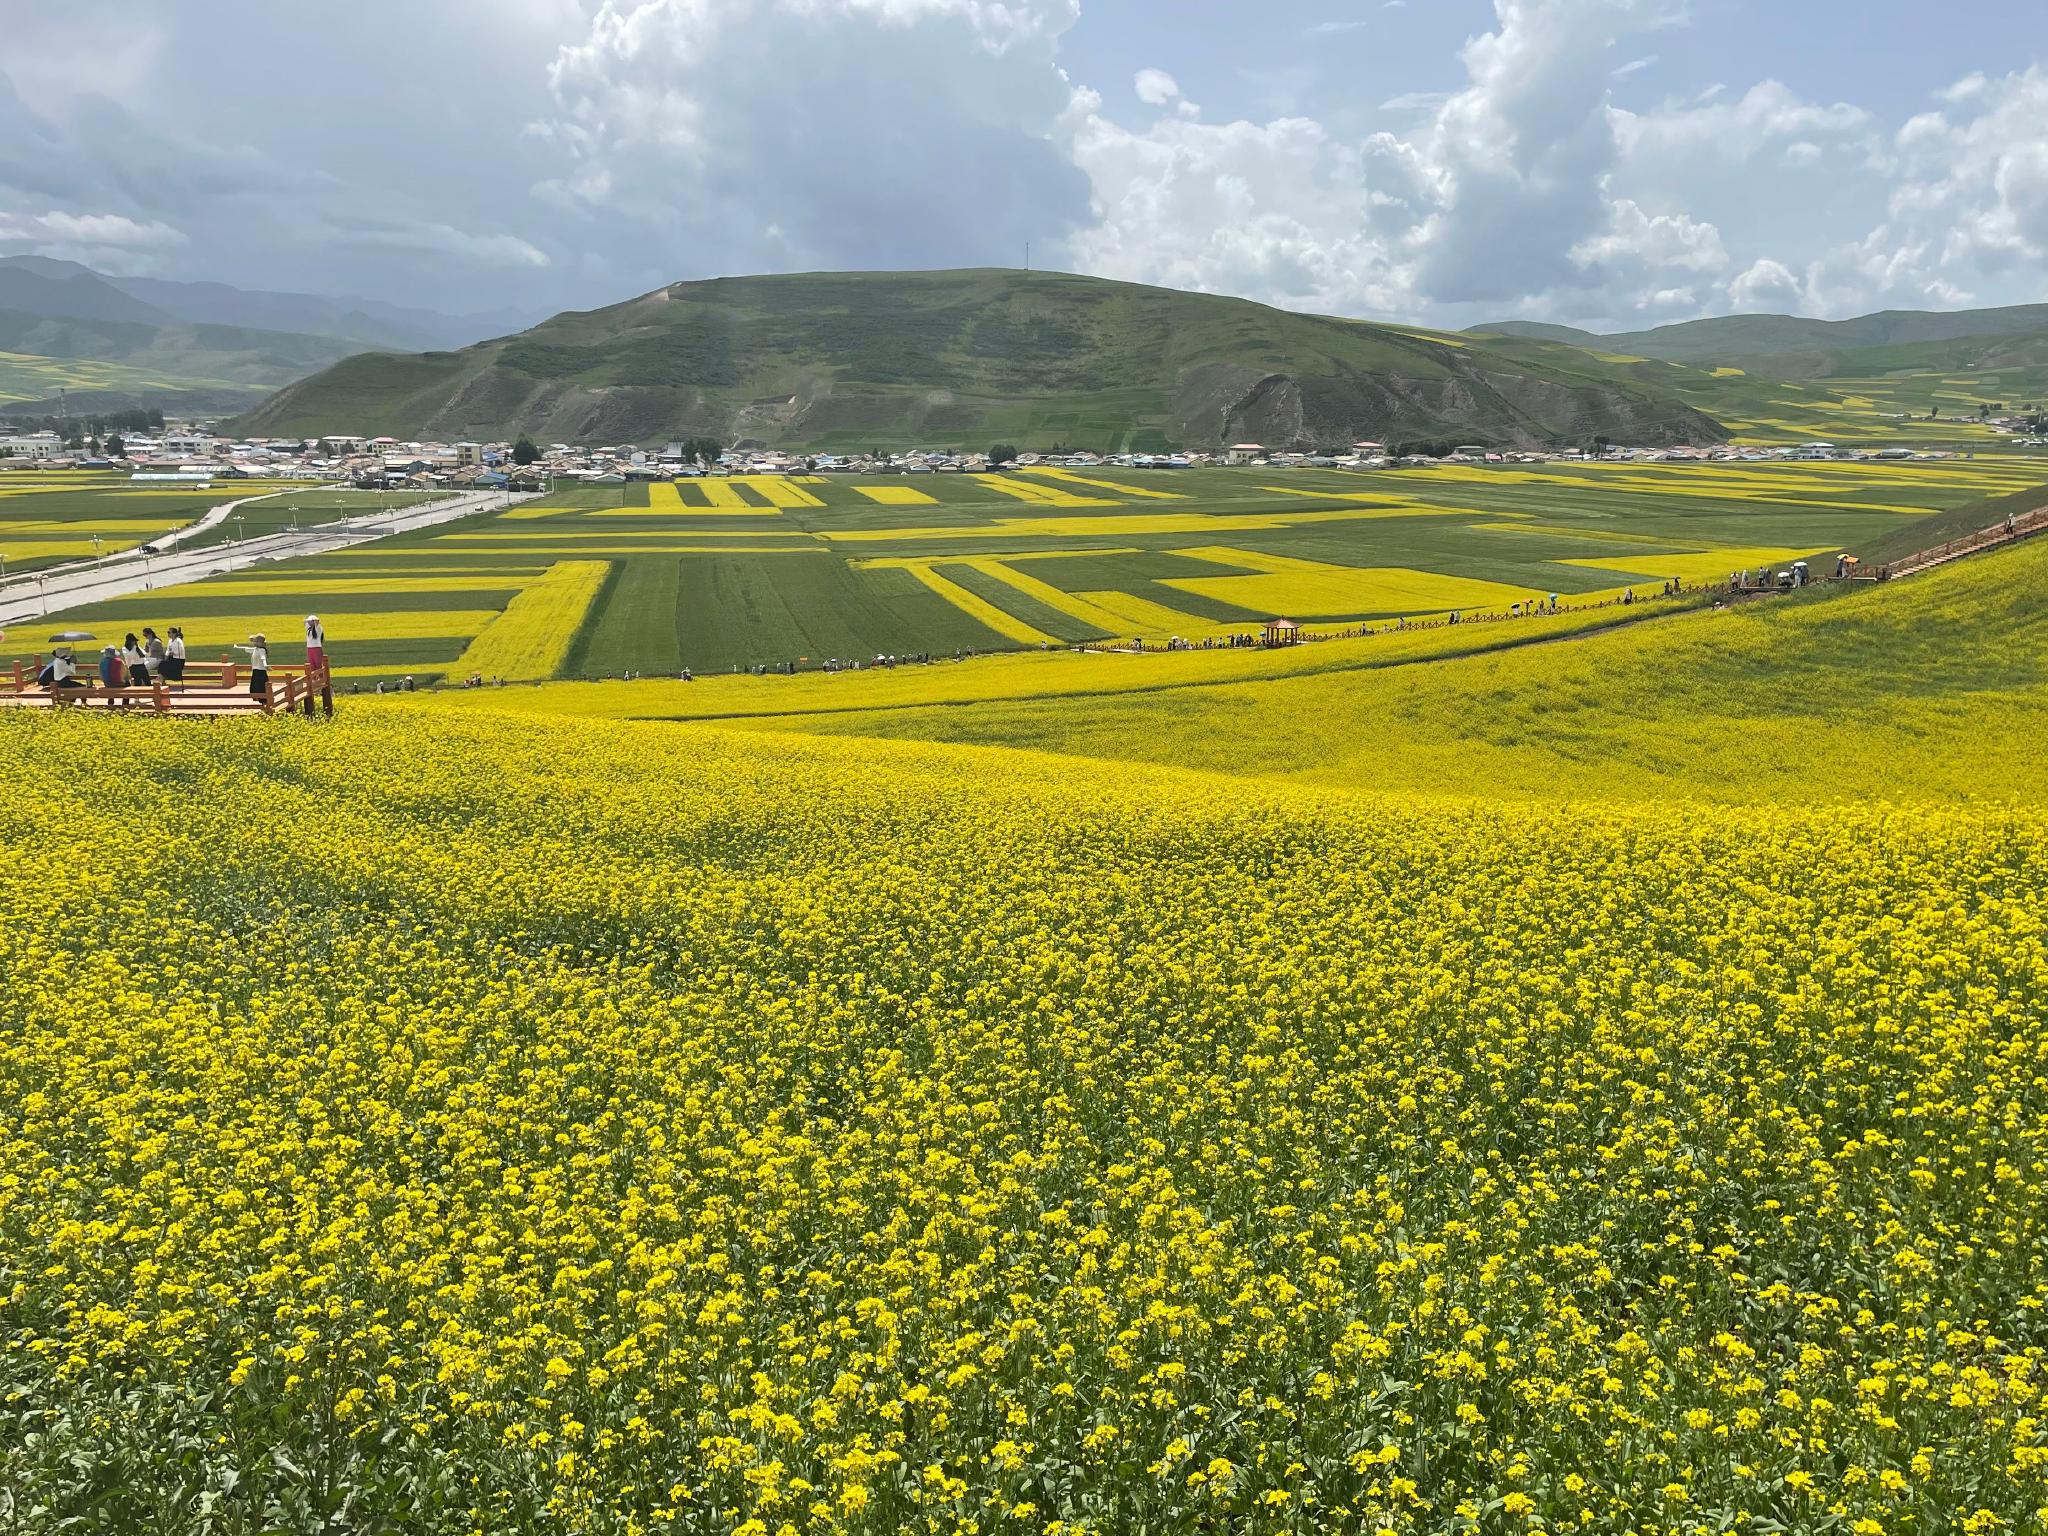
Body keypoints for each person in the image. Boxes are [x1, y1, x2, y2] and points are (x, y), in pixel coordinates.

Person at [234, 633, 269, 699]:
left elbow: (263, 658)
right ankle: (257, 697)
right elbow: (246, 649)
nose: (254, 643)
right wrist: (237, 647)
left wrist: (265, 665)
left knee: (260, 685)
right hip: (255, 670)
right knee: (256, 685)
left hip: (260, 671)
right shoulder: (255, 649)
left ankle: (263, 699)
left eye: (256, 641)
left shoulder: (262, 650)